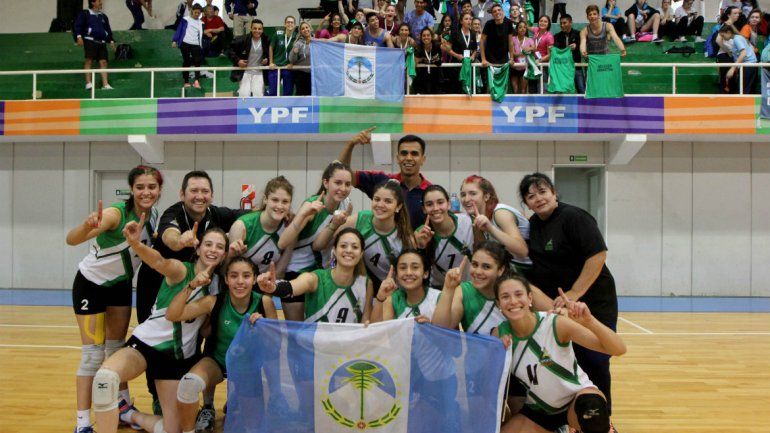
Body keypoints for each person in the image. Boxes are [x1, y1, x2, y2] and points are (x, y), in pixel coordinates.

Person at [92, 224, 228, 433]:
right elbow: (158, 262)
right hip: (146, 344)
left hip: (175, 358)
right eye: (208, 244)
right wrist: (136, 244)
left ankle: (127, 413)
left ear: (224, 254)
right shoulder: (182, 270)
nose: (213, 250)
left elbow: (203, 331)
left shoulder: (219, 286)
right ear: (198, 248)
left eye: (219, 247)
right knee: (105, 380)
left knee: (172, 430)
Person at [134, 170, 245, 414]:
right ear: (182, 194)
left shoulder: (215, 214)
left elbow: (243, 215)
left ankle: (188, 396)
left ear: (211, 195)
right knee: (156, 341)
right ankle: (156, 395)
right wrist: (180, 240)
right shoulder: (173, 213)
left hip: (199, 284)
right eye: (193, 191)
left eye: (205, 191)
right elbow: (169, 236)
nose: (199, 196)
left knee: (194, 338)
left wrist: (276, 212)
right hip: (158, 285)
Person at [66, 166, 162, 433]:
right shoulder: (115, 214)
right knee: (92, 357)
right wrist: (86, 226)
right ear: (132, 189)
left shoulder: (151, 214)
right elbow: (71, 240)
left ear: (159, 190)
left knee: (117, 350)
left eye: (152, 187)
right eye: (140, 187)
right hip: (90, 287)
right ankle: (82, 422)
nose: (146, 192)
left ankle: (122, 407)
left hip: (120, 287)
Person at [518, 172, 620, 422]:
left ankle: (601, 421)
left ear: (553, 192)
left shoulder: (574, 217)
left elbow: (598, 255)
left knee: (595, 360)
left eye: (542, 192)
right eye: (531, 196)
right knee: (569, 363)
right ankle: (572, 420)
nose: (538, 198)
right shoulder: (534, 225)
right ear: (526, 203)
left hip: (594, 304)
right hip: (561, 308)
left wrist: (574, 294)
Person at [495, 273, 626, 433]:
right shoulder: (499, 335)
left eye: (518, 294)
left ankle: (600, 428)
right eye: (505, 296)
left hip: (576, 399)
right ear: (498, 304)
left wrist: (589, 321)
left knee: (593, 411)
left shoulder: (554, 323)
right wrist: (498, 355)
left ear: (530, 298)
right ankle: (563, 429)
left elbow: (619, 349)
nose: (513, 301)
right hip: (541, 410)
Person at [166, 257, 277, 433]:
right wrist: (192, 285)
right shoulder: (214, 301)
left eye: (246, 276)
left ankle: (237, 399)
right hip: (217, 361)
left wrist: (264, 328)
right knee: (188, 384)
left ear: (254, 279)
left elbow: (275, 345)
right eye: (234, 276)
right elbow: (172, 314)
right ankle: (201, 415)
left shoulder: (264, 302)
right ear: (226, 280)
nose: (240, 281)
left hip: (249, 367)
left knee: (252, 425)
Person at [276, 161, 354, 321]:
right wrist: (303, 215)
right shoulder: (312, 205)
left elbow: (320, 244)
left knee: (317, 327)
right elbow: (283, 243)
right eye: (338, 183)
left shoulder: (345, 205)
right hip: (296, 271)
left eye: (347, 184)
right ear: (326, 182)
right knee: (297, 331)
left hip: (321, 274)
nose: (343, 188)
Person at [314, 179, 415, 293]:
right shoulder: (360, 219)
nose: (380, 205)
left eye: (388, 201)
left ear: (398, 207)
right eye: (376, 199)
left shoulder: (406, 237)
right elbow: (318, 245)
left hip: (395, 292)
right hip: (362, 288)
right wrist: (334, 225)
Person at [432, 241, 550, 334]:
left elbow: (555, 314)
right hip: (482, 362)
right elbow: (440, 328)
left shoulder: (519, 289)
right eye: (474, 264)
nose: (478, 271)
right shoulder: (463, 291)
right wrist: (448, 288)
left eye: (486, 267)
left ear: (501, 269)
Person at [259, 227, 374, 324]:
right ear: (334, 250)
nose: (349, 250)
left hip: (347, 349)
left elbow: (365, 323)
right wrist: (273, 287)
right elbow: (291, 287)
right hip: (314, 347)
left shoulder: (366, 283)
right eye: (343, 246)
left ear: (361, 253)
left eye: (355, 247)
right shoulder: (315, 278)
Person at [339, 129, 432, 227]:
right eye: (404, 153)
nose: (408, 158)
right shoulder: (382, 182)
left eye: (414, 154)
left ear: (423, 159)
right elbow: (342, 174)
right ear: (397, 158)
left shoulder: (430, 192)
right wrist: (351, 144)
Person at [459, 175, 530, 274]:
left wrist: (491, 229)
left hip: (530, 271)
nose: (466, 199)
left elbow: (522, 251)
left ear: (486, 196)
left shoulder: (500, 213)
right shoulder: (477, 218)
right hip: (509, 271)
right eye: (463, 195)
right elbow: (484, 252)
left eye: (473, 194)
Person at [228, 176, 293, 275]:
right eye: (275, 200)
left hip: (267, 285)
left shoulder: (289, 228)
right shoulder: (242, 226)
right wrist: (230, 255)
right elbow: (228, 270)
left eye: (285, 202)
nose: (279, 206)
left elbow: (280, 271)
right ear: (265, 199)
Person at [414, 185, 474, 288]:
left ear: (449, 204)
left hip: (471, 287)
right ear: (424, 209)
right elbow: (418, 269)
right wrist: (421, 247)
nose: (436, 208)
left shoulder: (468, 221)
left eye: (440, 202)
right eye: (429, 204)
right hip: (440, 289)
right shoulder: (421, 233)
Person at [371, 249, 441, 321]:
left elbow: (445, 330)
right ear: (397, 275)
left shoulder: (438, 297)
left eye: (415, 267)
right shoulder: (394, 299)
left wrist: (429, 328)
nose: (408, 273)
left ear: (425, 273)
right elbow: (377, 329)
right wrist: (380, 299)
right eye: (403, 268)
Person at [74, 0, 116, 90]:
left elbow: (108, 29)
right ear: (93, 2)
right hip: (90, 40)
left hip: (102, 42)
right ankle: (88, 83)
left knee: (103, 62)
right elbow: (78, 25)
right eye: (99, 1)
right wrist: (79, 36)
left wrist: (111, 41)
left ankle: (105, 85)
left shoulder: (103, 16)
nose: (101, 2)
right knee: (89, 60)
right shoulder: (85, 13)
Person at [229, 18, 269, 98]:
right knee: (244, 96)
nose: (257, 31)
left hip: (259, 73)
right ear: (251, 28)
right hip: (245, 72)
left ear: (262, 30)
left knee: (258, 97)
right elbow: (228, 50)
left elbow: (271, 54)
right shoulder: (242, 39)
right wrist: (238, 61)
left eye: (259, 29)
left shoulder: (266, 40)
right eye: (255, 28)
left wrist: (267, 59)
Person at [445, 12, 479, 93]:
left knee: (468, 88)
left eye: (470, 19)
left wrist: (473, 56)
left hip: (468, 65)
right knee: (456, 89)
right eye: (466, 19)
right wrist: (456, 55)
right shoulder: (455, 33)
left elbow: (475, 49)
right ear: (461, 21)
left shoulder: (473, 33)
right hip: (456, 65)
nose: (469, 21)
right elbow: (447, 48)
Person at [172, 3, 204, 89]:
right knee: (187, 61)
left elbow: (201, 35)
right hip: (185, 43)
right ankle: (186, 81)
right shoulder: (185, 20)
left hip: (196, 44)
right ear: (192, 11)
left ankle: (196, 81)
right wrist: (175, 40)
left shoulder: (201, 23)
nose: (197, 14)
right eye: (195, 12)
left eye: (199, 13)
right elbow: (179, 30)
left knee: (197, 61)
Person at [719, 24, 758, 94]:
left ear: (728, 32)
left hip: (748, 66)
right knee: (745, 90)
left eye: (723, 35)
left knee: (743, 91)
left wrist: (732, 69)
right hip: (748, 66)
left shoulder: (737, 39)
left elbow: (743, 53)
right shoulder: (738, 38)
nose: (723, 38)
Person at [554, 14, 585, 93]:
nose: (562, 25)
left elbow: (583, 46)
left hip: (576, 67)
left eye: (564, 23)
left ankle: (584, 105)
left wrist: (577, 46)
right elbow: (556, 51)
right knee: (560, 91)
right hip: (562, 68)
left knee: (581, 90)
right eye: (561, 23)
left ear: (571, 22)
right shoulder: (557, 36)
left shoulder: (579, 34)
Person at [267, 15, 297, 97]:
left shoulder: (296, 36)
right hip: (275, 67)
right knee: (273, 92)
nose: (290, 24)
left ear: (294, 25)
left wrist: (293, 63)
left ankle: (286, 108)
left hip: (288, 68)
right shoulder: (277, 34)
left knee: (288, 93)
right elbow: (271, 47)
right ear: (284, 24)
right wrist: (271, 62)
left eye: (292, 22)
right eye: (288, 22)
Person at [415, 26, 444, 94]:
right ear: (421, 37)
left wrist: (446, 44)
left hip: (437, 78)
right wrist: (418, 59)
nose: (426, 37)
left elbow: (448, 49)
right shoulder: (418, 48)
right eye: (424, 35)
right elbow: (414, 64)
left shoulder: (437, 45)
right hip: (423, 79)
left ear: (432, 37)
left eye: (428, 35)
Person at [288, 21, 313, 96]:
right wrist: (294, 53)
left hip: (313, 73)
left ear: (310, 29)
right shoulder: (298, 43)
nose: (305, 29)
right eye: (303, 29)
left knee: (311, 96)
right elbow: (291, 60)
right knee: (300, 96)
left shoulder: (316, 41)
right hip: (300, 74)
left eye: (306, 27)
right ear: (301, 32)